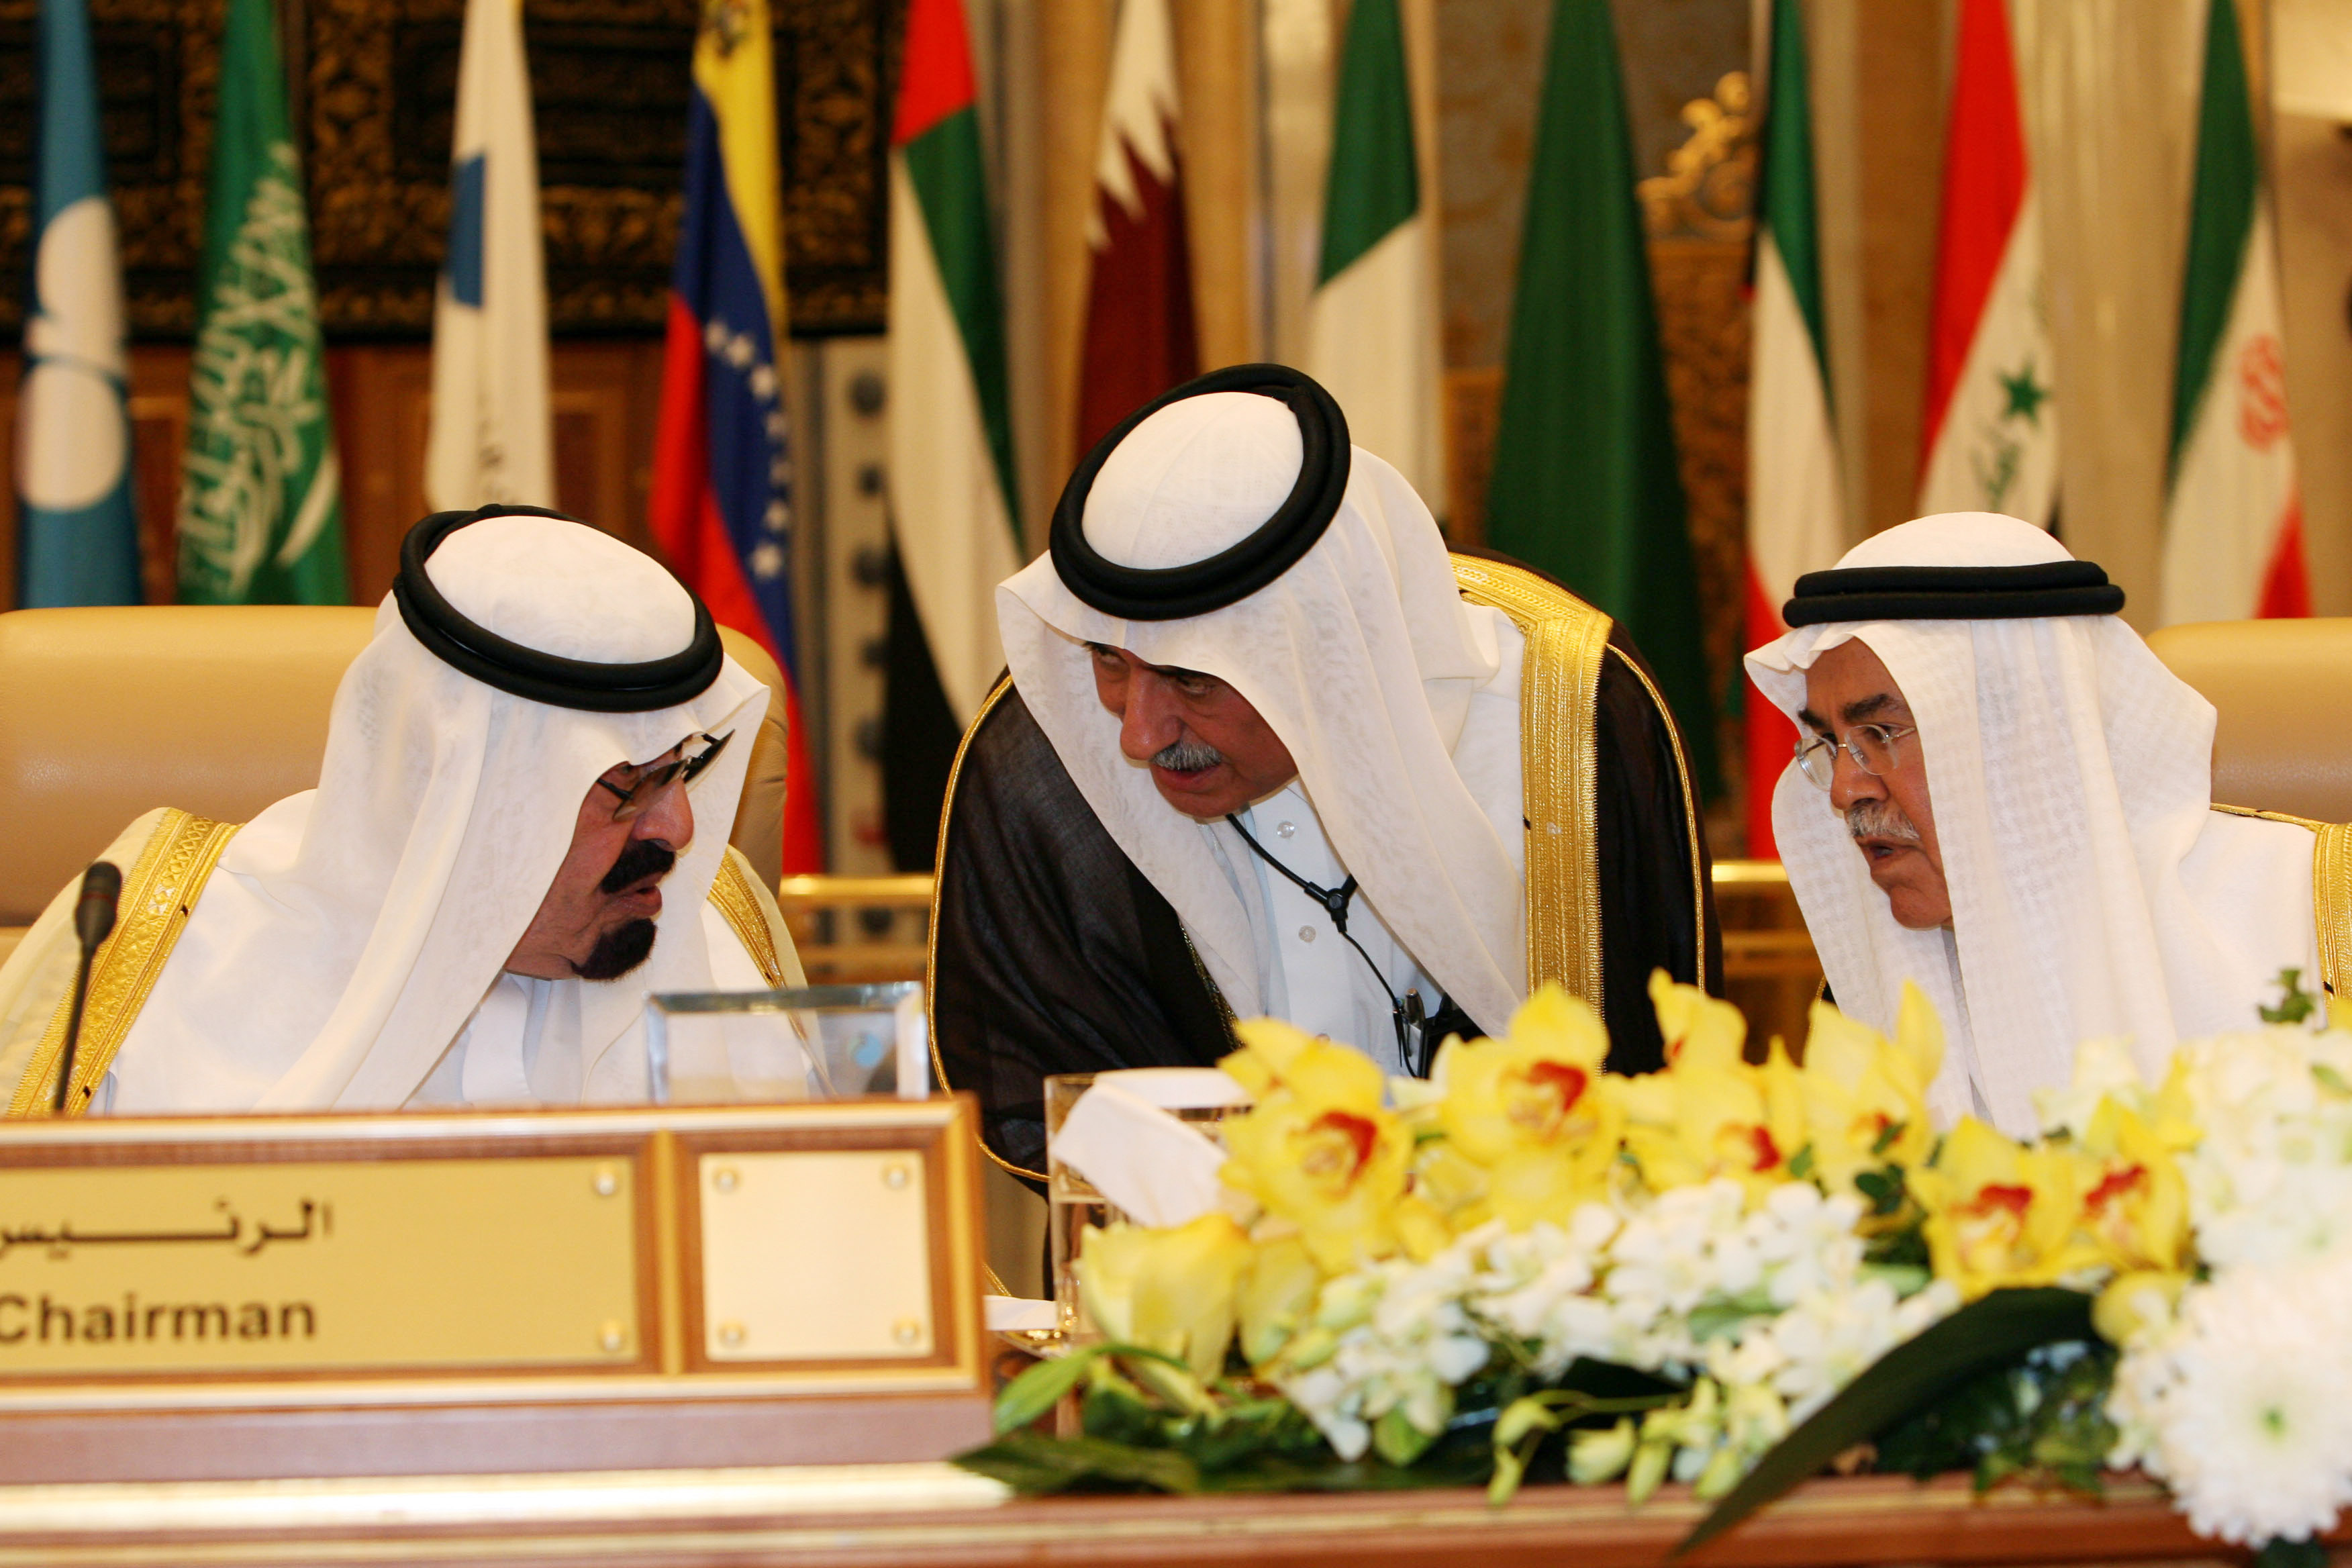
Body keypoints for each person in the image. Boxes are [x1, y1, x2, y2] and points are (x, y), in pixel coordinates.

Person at [930, 364, 1719, 1178]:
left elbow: (1660, 1074)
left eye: (1191, 679)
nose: (1137, 733)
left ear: (1319, 645)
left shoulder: (1565, 715)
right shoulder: (1046, 750)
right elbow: (1039, 1100)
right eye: (1108, 660)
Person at [0, 505, 803, 1116]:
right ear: (477, 787)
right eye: (629, 786)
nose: (680, 830)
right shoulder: (149, 944)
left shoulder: (719, 931)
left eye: (685, 769)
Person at [1746, 511, 2333, 1136]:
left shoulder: (2318, 915)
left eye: (1881, 733)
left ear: (2027, 733)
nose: (1844, 791)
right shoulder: (1865, 1006)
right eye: (1829, 743)